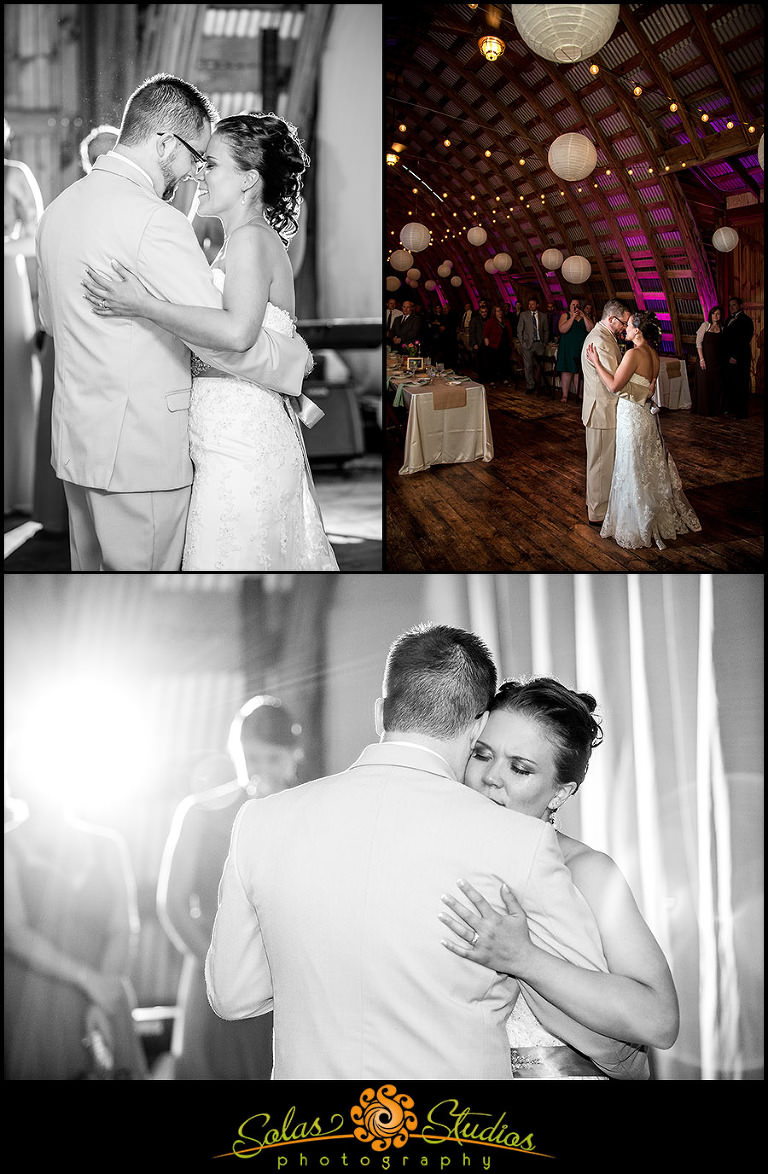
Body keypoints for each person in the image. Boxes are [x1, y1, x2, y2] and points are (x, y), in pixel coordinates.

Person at [205, 623, 646, 1080]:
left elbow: (233, 996)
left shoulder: (261, 821)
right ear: (478, 727)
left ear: (381, 714)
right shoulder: (520, 839)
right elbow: (606, 1036)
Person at [36, 73, 313, 573]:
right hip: (143, 452)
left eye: (209, 163)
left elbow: (53, 323)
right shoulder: (155, 220)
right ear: (165, 143)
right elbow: (219, 338)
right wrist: (293, 359)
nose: (193, 174)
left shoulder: (57, 211)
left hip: (77, 444)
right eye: (195, 156)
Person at [440, 677, 679, 1079]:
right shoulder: (438, 857)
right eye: (481, 754)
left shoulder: (586, 871)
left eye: (519, 768)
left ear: (560, 793)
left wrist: (524, 958)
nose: (491, 777)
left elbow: (660, 1020)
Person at [157, 696, 302, 1080]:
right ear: (236, 753)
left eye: (273, 758)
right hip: (215, 968)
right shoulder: (199, 813)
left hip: (286, 979)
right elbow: (172, 904)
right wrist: (220, 966)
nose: (262, 770)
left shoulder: (311, 814)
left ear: (294, 756)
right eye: (252, 758)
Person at [4, 745, 146, 1080]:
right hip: (33, 1001)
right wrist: (86, 980)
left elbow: (123, 927)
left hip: (105, 991)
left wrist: (101, 996)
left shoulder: (108, 844)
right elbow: (13, 932)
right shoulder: (8, 845)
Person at [586, 310, 701, 550]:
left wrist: (596, 362)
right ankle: (654, 514)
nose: (625, 329)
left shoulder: (633, 354)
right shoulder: (654, 355)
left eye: (628, 325)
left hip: (630, 417)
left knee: (632, 466)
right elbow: (648, 390)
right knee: (646, 466)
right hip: (646, 418)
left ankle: (637, 521)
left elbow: (614, 386)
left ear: (637, 330)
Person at [4, 117, 43, 516]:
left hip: (6, 279)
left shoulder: (14, 174)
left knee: (11, 380)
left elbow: (37, 236)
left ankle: (16, 486)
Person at [579, 299, 631, 525]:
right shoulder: (600, 341)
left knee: (600, 461)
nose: (624, 327)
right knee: (600, 464)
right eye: (623, 323)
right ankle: (598, 513)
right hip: (602, 410)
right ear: (611, 318)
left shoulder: (603, 335)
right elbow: (614, 382)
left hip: (601, 408)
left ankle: (594, 501)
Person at [556, 299, 593, 404]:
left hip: (580, 348)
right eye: (573, 304)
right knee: (566, 371)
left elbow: (591, 329)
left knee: (578, 371)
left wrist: (584, 316)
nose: (575, 306)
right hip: (567, 348)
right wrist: (572, 317)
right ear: (570, 306)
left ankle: (579, 394)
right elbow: (562, 329)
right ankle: (565, 395)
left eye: (577, 305)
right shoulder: (565, 316)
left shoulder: (584, 316)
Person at [722, 296, 754, 418]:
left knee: (741, 384)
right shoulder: (728, 319)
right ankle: (731, 408)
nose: (731, 307)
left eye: (734, 305)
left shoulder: (746, 320)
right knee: (731, 383)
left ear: (740, 306)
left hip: (739, 357)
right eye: (730, 305)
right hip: (728, 357)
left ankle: (742, 412)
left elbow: (744, 340)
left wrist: (735, 356)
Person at [694, 306, 724, 416]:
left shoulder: (722, 328)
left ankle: (716, 409)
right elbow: (698, 343)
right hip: (705, 360)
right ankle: (704, 409)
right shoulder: (705, 325)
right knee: (705, 385)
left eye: (718, 314)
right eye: (713, 313)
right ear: (710, 315)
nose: (715, 316)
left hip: (716, 362)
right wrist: (702, 359)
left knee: (716, 385)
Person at [517, 296, 549, 395]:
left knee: (540, 366)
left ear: (537, 305)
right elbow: (519, 330)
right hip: (528, 344)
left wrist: (544, 343)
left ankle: (540, 385)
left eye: (533, 304)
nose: (530, 306)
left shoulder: (543, 316)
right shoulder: (523, 315)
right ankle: (530, 386)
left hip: (539, 344)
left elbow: (546, 330)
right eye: (529, 304)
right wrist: (523, 343)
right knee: (528, 366)